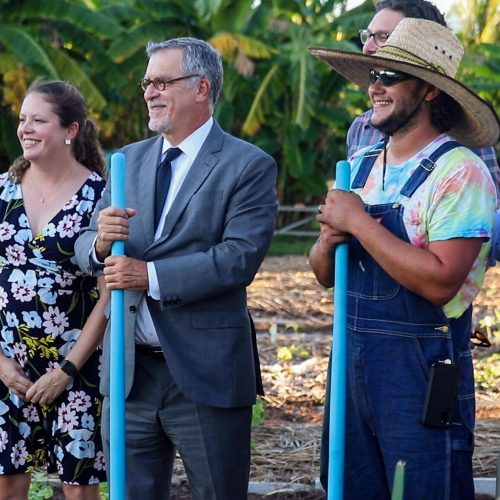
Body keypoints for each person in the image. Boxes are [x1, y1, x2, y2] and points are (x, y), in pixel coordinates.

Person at [74, 37, 277, 499]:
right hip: (130, 374)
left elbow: (239, 257)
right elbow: (87, 243)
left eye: (162, 81)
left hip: (206, 373)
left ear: (202, 87)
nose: (149, 91)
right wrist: (101, 242)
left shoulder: (247, 165)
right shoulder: (128, 160)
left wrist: (149, 276)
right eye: (147, 82)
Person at [309, 18, 498, 499]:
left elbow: (441, 282)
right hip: (350, 366)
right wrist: (329, 241)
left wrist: (357, 223)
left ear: (431, 91)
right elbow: (325, 275)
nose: (374, 86)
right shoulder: (363, 163)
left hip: (421, 372)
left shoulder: (461, 172)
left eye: (389, 76)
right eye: (374, 75)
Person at [0, 80, 108, 499]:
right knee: (8, 482)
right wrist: (1, 364)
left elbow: (108, 295)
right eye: (23, 119)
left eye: (38, 120)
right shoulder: (3, 190)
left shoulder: (100, 196)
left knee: (78, 488)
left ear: (71, 130)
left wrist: (67, 371)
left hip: (75, 370)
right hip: (9, 368)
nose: (25, 128)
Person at [349, 0, 500, 265]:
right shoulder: (361, 129)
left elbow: (485, 228)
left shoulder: (463, 151)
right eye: (368, 36)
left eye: (384, 37)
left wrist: (357, 222)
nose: (369, 46)